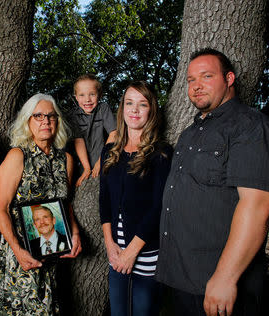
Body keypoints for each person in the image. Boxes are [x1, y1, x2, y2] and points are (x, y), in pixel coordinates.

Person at [156, 48, 269, 316]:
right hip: (180, 280)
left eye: (207, 76)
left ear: (229, 78)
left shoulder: (251, 127)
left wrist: (225, 278)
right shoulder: (189, 134)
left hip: (217, 286)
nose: (197, 86)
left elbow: (258, 204)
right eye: (191, 80)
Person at [0, 93, 82, 315]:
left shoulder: (67, 160)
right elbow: (0, 209)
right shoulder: (17, 156)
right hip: (21, 255)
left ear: (58, 121)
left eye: (51, 116)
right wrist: (18, 250)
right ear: (28, 121)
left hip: (53, 253)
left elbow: (66, 204)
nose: (45, 121)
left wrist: (74, 234)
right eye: (38, 116)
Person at [99, 81, 172, 316]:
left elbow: (159, 205)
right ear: (122, 109)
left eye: (142, 104)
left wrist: (132, 251)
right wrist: (110, 244)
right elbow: (104, 199)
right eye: (129, 103)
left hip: (145, 251)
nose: (134, 110)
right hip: (115, 252)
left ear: (151, 111)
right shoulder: (110, 151)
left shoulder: (161, 152)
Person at [71, 74, 117, 186]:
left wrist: (101, 160)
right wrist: (86, 168)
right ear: (76, 97)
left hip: (103, 158)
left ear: (99, 95)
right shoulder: (73, 115)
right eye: (82, 95)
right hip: (81, 164)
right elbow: (78, 140)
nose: (87, 99)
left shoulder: (103, 108)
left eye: (92, 94)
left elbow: (114, 133)